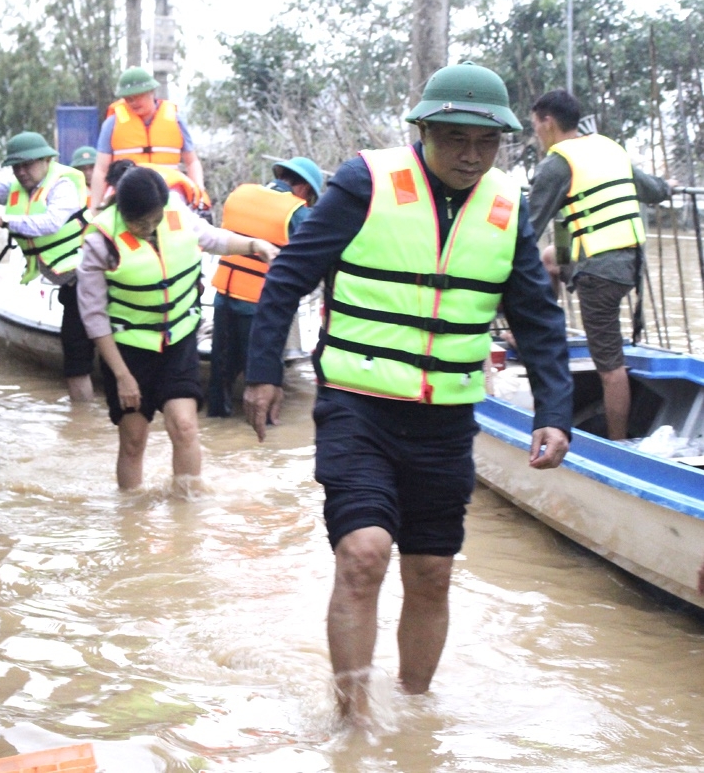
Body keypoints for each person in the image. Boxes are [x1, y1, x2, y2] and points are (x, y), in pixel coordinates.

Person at [242, 62, 574, 726]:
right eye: (455, 138)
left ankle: (415, 722)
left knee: (431, 573)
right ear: (422, 128)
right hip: (357, 409)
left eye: (487, 143)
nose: (471, 156)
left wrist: (554, 413)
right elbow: (288, 278)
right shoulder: (364, 182)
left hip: (446, 420)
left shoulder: (506, 207)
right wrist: (262, 372)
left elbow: (536, 318)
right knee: (363, 554)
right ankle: (353, 724)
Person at [77, 166, 277, 490]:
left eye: (154, 220)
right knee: (133, 439)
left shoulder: (175, 211)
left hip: (178, 341)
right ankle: (131, 525)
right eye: (140, 224)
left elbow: (213, 239)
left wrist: (256, 245)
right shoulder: (100, 241)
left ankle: (188, 519)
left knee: (184, 426)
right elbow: (94, 316)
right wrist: (122, 376)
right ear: (121, 212)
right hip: (128, 352)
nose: (149, 229)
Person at [528, 89, 677, 440]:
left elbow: (528, 227)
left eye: (535, 125)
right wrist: (668, 187)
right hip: (628, 262)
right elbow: (651, 189)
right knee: (551, 259)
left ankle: (618, 442)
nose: (535, 132)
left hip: (599, 273)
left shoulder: (556, 163)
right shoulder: (609, 147)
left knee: (610, 368)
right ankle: (550, 330)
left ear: (548, 122)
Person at [0, 129, 95, 402]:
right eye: (16, 166)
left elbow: (51, 223)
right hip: (70, 286)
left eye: (27, 164)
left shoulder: (62, 186)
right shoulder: (19, 189)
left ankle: (84, 421)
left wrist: (4, 220)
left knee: (78, 365)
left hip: (90, 282)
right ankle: (84, 426)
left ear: (46, 160)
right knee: (76, 363)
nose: (21, 171)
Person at [206, 157, 324, 417]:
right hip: (261, 306)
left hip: (224, 295)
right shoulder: (297, 211)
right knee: (262, 379)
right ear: (304, 188)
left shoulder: (240, 193)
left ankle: (217, 423)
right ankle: (265, 439)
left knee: (220, 376)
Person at [88, 67, 205, 209]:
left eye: (138, 96)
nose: (133, 102)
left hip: (169, 190)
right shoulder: (112, 123)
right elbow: (101, 169)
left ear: (152, 92)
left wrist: (199, 192)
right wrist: (94, 209)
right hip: (127, 191)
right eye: (128, 98)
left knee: (180, 221)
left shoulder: (175, 120)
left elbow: (192, 162)